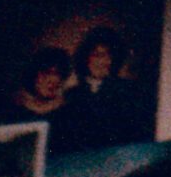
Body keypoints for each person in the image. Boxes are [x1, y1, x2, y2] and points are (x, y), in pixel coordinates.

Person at [49, 25, 143, 154]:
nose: (104, 61)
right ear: (86, 58)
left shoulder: (128, 90)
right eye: (97, 55)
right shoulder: (71, 95)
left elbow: (134, 136)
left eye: (109, 56)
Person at [12, 44, 73, 122]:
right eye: (46, 73)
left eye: (59, 74)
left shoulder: (67, 112)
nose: (53, 82)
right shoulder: (15, 108)